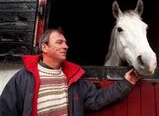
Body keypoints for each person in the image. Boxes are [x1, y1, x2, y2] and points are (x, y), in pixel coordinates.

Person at [0, 28, 140, 116]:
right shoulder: (23, 79)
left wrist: (126, 83)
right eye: (59, 42)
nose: (66, 46)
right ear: (44, 47)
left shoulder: (73, 79)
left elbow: (97, 99)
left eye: (66, 43)